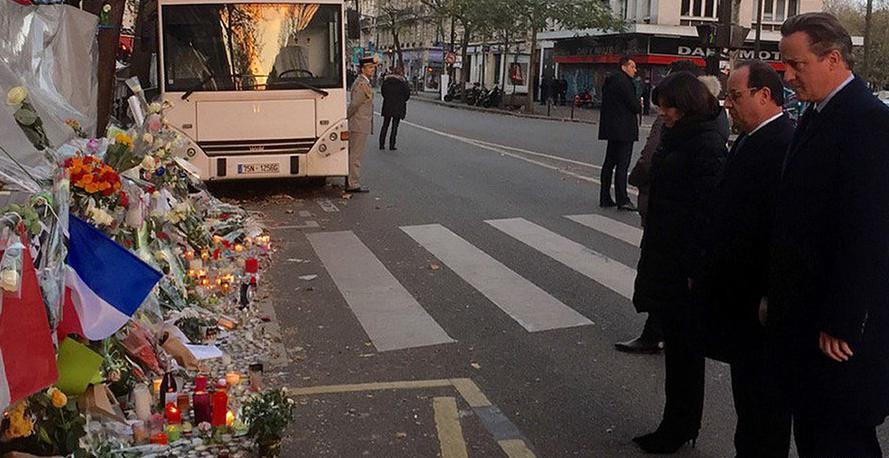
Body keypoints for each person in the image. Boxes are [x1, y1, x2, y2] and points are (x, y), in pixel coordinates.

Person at [769, 12, 889, 456]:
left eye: (796, 65)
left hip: (837, 329)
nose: (788, 75)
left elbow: (868, 231)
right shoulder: (822, 112)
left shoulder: (867, 121)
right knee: (816, 432)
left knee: (841, 436)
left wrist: (841, 320)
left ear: (833, 58)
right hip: (807, 314)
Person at [701, 60, 794, 457]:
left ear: (765, 95)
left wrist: (770, 293)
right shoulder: (751, 138)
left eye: (735, 96)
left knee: (764, 402)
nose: (728, 104)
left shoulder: (781, 143)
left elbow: (780, 230)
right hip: (739, 295)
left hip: (758, 298)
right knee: (748, 398)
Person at [631, 71, 726, 454]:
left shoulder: (705, 145)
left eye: (667, 107)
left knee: (686, 355)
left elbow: (705, 215)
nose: (663, 113)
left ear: (684, 105)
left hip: (683, 267)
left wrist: (693, 270)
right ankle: (676, 423)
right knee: (679, 351)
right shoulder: (684, 136)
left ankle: (680, 426)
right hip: (669, 257)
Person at [598, 56, 641, 211]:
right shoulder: (625, 82)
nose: (635, 70)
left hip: (611, 128)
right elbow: (634, 105)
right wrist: (639, 104)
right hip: (624, 128)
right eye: (633, 66)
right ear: (624, 66)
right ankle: (622, 198)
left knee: (609, 162)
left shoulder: (610, 81)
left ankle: (605, 196)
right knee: (622, 164)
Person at [346, 55, 378, 193]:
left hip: (359, 123)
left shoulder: (364, 82)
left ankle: (350, 181)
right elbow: (354, 105)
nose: (372, 70)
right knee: (355, 155)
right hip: (358, 123)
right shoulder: (361, 84)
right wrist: (346, 117)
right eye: (369, 67)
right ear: (362, 69)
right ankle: (353, 183)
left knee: (354, 153)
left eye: (373, 68)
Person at [379, 67, 411, 151]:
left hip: (388, 105)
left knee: (385, 125)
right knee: (394, 127)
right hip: (398, 106)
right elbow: (407, 94)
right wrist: (401, 100)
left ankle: (381, 144)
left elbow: (383, 92)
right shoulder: (403, 83)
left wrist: (388, 99)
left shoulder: (387, 81)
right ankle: (392, 144)